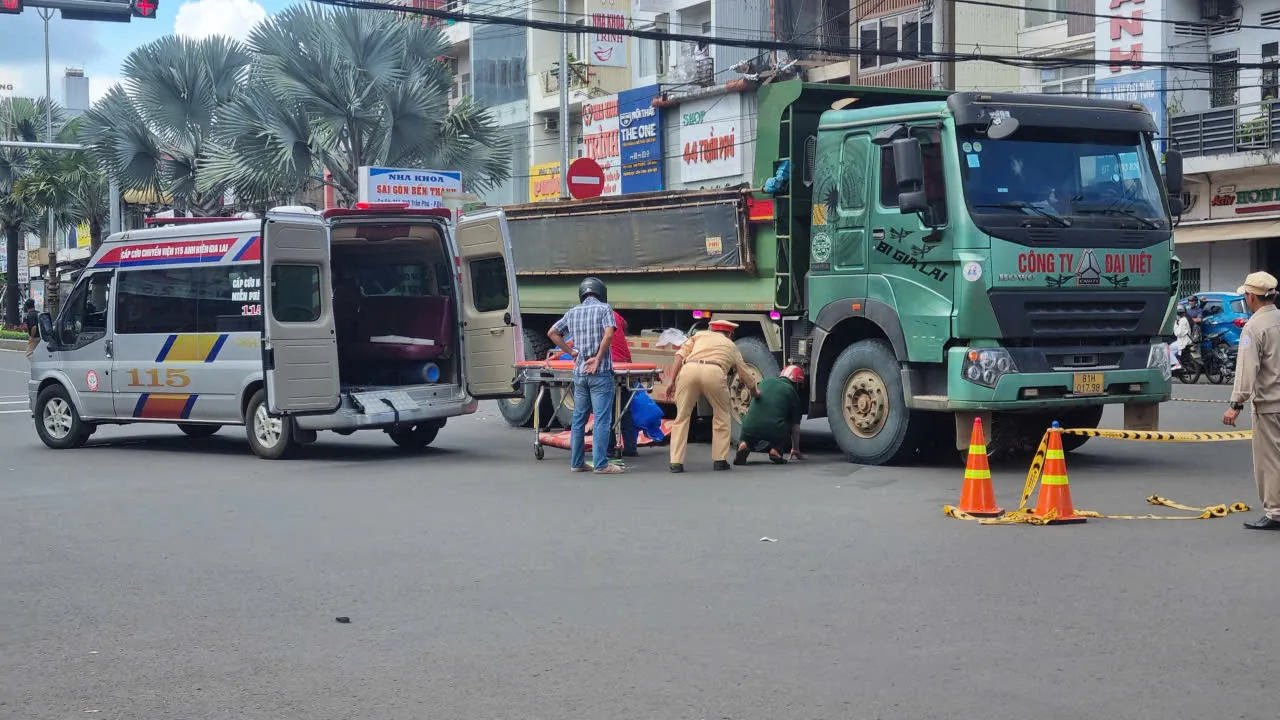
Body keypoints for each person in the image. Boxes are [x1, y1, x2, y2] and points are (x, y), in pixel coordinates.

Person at [548, 277, 624, 475]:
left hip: (580, 373)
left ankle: (577, 462)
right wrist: (598, 358)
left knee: (579, 419)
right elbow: (609, 334)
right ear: (601, 292)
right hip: (600, 373)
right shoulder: (604, 309)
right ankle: (601, 464)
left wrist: (571, 352)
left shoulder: (573, 312)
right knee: (601, 419)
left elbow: (552, 332)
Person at [1222, 271, 1280, 530]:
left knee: (1270, 461)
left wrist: (1236, 404)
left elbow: (1247, 370)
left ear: (1251, 298)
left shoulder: (1254, 327)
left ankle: (1275, 512)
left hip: (1269, 404)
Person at [663, 319, 760, 473]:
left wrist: (671, 381)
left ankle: (676, 462)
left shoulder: (699, 336)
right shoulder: (731, 346)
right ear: (729, 334)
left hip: (689, 369)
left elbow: (679, 357)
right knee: (721, 415)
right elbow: (745, 374)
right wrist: (754, 392)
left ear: (712, 330)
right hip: (714, 372)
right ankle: (720, 461)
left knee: (682, 417)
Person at [734, 364, 806, 466]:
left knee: (749, 430)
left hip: (749, 426)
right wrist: (795, 448)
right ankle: (775, 450)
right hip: (775, 429)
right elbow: (795, 429)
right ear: (797, 384)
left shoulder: (764, 381)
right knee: (789, 421)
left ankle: (744, 444)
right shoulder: (792, 393)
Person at [610, 310, 639, 457]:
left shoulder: (585, 315)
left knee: (605, 408)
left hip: (607, 365)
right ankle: (630, 447)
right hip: (625, 363)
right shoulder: (614, 314)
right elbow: (625, 325)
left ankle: (609, 447)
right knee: (625, 408)